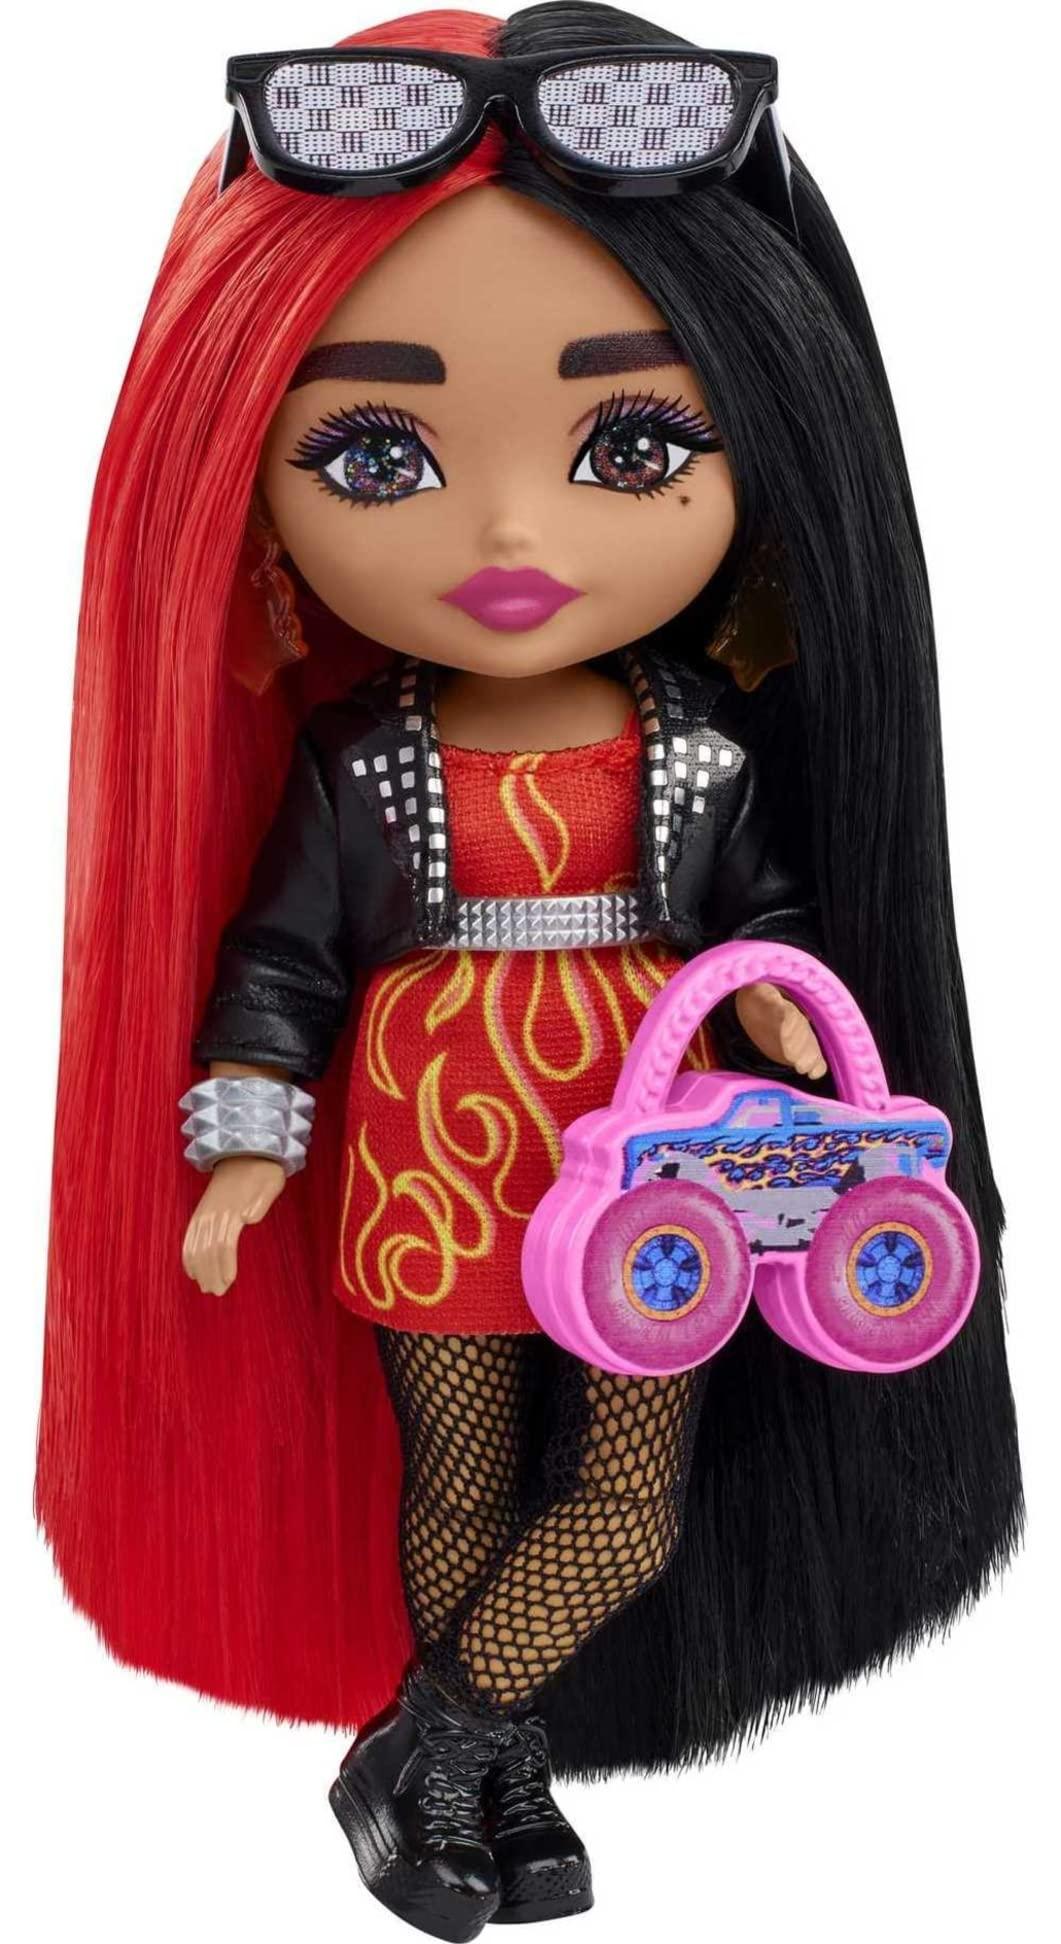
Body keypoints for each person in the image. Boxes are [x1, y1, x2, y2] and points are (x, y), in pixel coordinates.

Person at [37, 8, 1022, 1940]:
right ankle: (497, 1779)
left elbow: (766, 920)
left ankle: (424, 1746)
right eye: (373, 451)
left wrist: (777, 999)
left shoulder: (699, 750)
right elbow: (283, 959)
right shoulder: (362, 762)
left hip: (652, 1144)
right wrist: (244, 1143)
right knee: (462, 1477)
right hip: (427, 1137)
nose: (505, 530)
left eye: (631, 446)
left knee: (627, 1498)